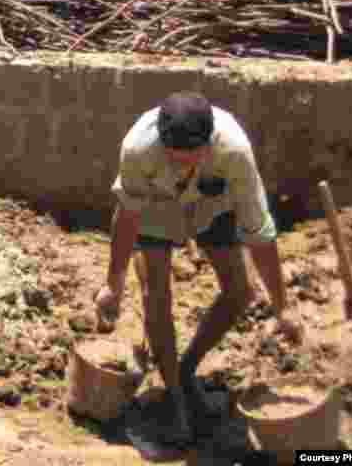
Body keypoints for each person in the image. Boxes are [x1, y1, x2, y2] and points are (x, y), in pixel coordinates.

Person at [95, 92, 303, 446]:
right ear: (162, 142)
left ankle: (187, 367)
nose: (181, 165)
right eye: (173, 158)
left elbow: (259, 232)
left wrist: (282, 305)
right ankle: (174, 398)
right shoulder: (138, 149)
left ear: (207, 145)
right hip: (156, 209)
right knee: (156, 298)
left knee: (241, 292)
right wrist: (113, 284)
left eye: (190, 158)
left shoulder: (234, 152)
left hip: (211, 205)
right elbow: (128, 215)